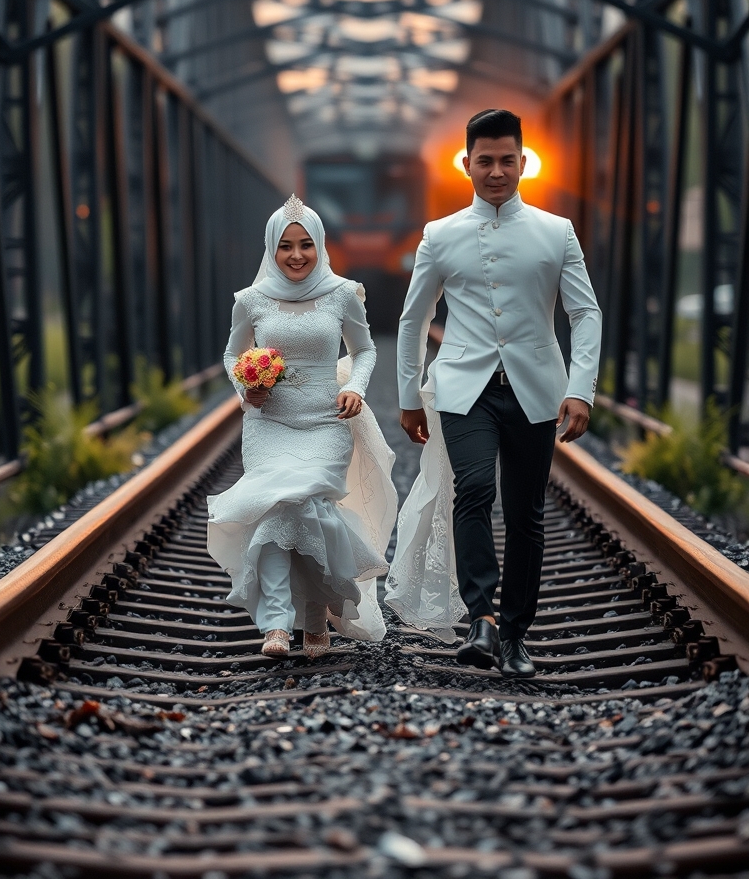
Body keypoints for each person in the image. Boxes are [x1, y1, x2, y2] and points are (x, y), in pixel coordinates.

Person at [386, 109, 601, 676]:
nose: (497, 170)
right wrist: (409, 394)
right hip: (465, 388)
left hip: (535, 389)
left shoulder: (557, 232)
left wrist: (581, 389)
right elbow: (414, 320)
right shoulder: (441, 234)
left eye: (508, 159)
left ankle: (514, 636)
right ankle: (480, 617)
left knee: (527, 514)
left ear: (524, 162)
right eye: (486, 160)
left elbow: (586, 312)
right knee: (475, 490)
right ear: (468, 165)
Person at [207, 194, 397, 659]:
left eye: (306, 245)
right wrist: (244, 389)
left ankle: (315, 617)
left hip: (326, 422)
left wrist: (356, 386)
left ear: (320, 246)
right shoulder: (250, 300)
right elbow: (233, 354)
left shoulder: (342, 294)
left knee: (310, 510)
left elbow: (367, 350)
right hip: (269, 422)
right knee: (275, 510)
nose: (296, 255)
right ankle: (275, 623)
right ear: (271, 248)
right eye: (286, 246)